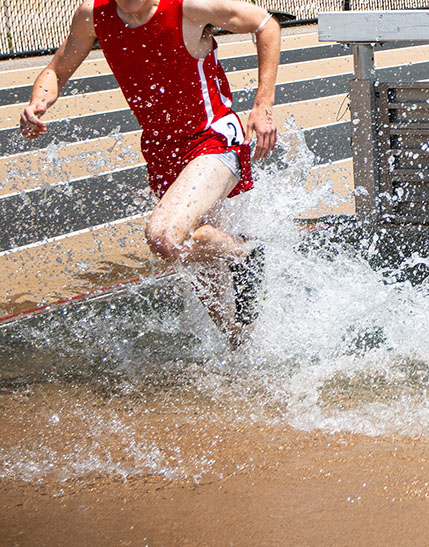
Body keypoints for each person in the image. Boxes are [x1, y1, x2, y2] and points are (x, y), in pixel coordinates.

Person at [20, 0, 282, 345]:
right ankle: (242, 344)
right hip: (162, 151)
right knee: (193, 253)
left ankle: (244, 253)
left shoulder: (188, 7)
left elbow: (266, 24)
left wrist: (262, 106)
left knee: (165, 236)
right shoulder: (93, 15)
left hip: (213, 137)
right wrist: (39, 101)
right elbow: (57, 69)